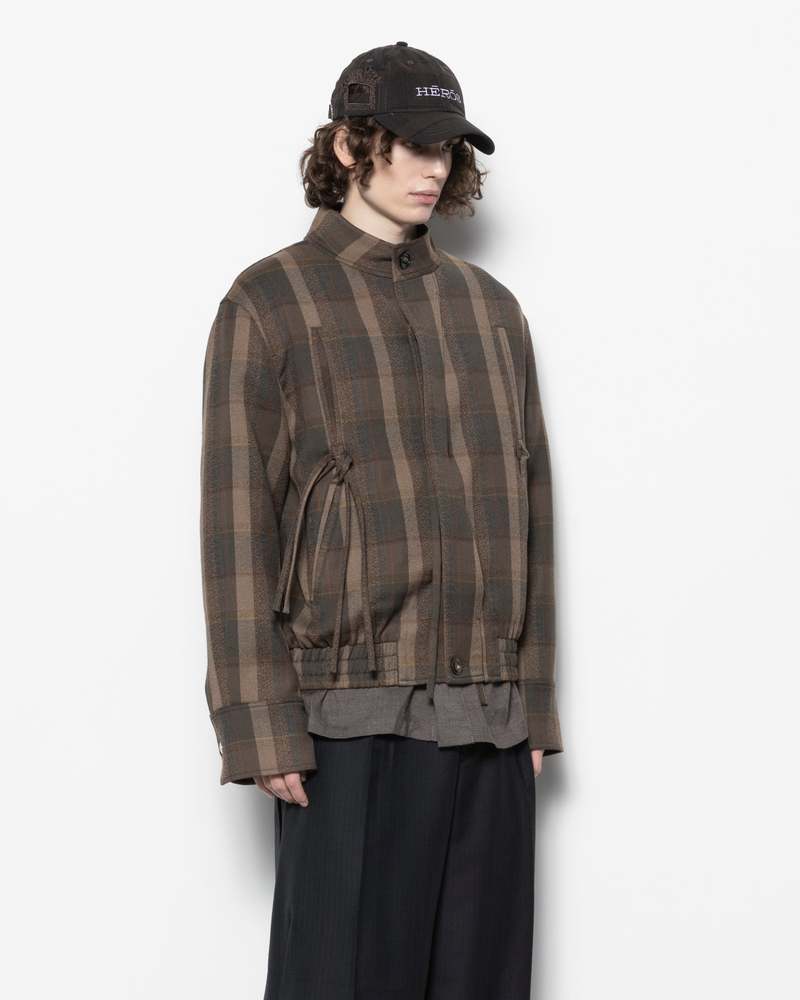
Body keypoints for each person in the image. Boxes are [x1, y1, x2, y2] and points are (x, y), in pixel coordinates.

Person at [200, 40, 564, 1000]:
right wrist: (259, 722)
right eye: (410, 144)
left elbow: (532, 508)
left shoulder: (491, 311)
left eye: (447, 148)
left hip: (488, 717)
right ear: (348, 145)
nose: (432, 167)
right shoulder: (271, 301)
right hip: (344, 718)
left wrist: (533, 701)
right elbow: (235, 518)